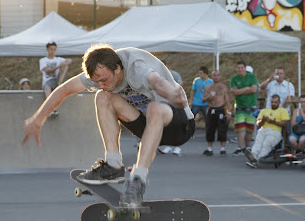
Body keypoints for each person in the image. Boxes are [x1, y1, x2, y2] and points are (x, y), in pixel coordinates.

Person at [22, 44, 195, 207]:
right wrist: (38, 120)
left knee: (154, 108)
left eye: (105, 80)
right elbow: (64, 89)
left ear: (118, 69)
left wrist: (172, 94)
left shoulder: (136, 67)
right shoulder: (99, 73)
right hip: (148, 128)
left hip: (178, 125)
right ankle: (113, 165)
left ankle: (138, 181)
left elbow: (157, 82)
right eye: (97, 82)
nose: (102, 85)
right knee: (102, 97)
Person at [245, 94, 289, 168]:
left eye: (275, 102)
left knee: (266, 143)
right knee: (258, 142)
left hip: (275, 131)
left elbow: (284, 124)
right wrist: (263, 120)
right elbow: (258, 123)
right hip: (264, 130)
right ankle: (253, 155)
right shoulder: (264, 111)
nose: (273, 104)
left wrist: (273, 121)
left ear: (279, 102)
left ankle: (256, 160)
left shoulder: (283, 111)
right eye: (272, 102)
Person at [229, 60, 258, 155]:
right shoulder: (234, 78)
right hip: (240, 106)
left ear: (245, 68)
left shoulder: (252, 77)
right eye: (238, 68)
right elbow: (234, 92)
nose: (240, 70)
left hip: (251, 105)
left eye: (242, 68)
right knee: (240, 128)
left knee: (249, 128)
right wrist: (246, 88)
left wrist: (240, 91)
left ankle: (247, 146)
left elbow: (254, 89)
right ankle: (240, 147)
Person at [202, 70, 232, 156]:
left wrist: (229, 112)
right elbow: (203, 100)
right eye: (214, 75)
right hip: (211, 109)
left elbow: (227, 100)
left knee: (222, 129)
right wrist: (208, 97)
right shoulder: (208, 87)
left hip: (220, 109)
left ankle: (223, 148)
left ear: (220, 76)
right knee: (210, 128)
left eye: (217, 75)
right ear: (212, 76)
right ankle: (209, 148)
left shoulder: (223, 87)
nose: (216, 77)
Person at [157, 61, 184, 156]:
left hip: (175, 102)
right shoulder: (158, 75)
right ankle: (168, 145)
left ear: (168, 66)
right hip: (164, 102)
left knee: (177, 124)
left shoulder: (174, 74)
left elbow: (181, 85)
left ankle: (178, 147)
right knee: (167, 125)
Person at [40, 41, 72, 116]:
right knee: (47, 88)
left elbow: (70, 60)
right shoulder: (43, 60)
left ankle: (60, 83)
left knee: (65, 65)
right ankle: (50, 109)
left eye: (54, 49)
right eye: (51, 49)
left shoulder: (58, 59)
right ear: (47, 49)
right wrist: (58, 66)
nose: (52, 51)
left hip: (57, 80)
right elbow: (47, 71)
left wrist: (64, 63)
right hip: (48, 81)